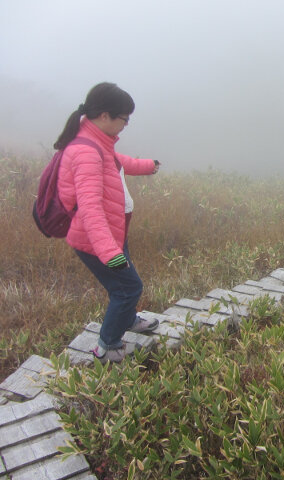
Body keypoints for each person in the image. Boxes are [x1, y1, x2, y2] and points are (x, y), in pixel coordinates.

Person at [55, 82, 160, 363]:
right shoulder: (86, 152)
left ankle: (127, 320)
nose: (126, 124)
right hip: (97, 241)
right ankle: (107, 345)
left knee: (124, 287)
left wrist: (148, 165)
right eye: (123, 118)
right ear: (104, 115)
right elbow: (90, 208)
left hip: (113, 234)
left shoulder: (97, 142)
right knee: (128, 288)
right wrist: (110, 252)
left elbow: (117, 161)